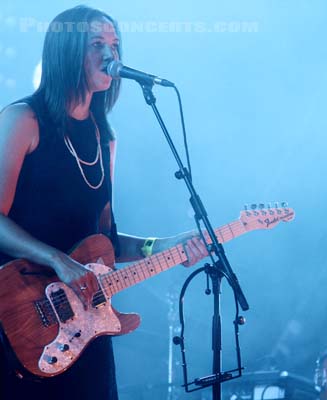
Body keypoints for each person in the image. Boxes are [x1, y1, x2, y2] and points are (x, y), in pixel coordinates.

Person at [0, 6, 208, 399]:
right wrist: (58, 260)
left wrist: (162, 246)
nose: (111, 56)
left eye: (114, 44)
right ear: (66, 51)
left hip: (82, 334)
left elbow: (105, 241)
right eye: (97, 44)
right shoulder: (23, 120)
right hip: (20, 322)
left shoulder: (104, 139)